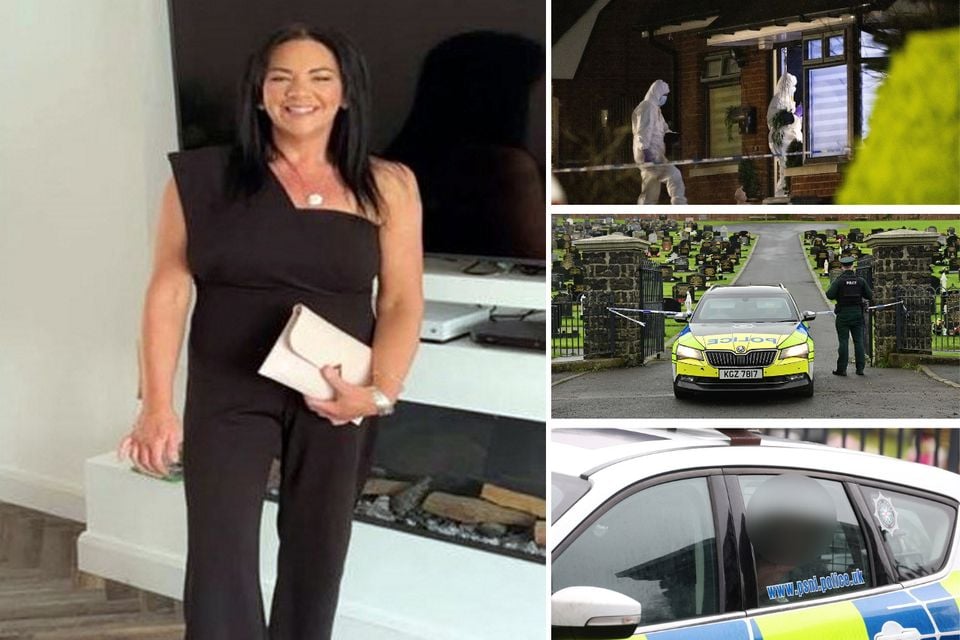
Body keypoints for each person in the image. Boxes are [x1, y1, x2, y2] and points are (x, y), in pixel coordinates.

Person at [117, 24, 423, 640]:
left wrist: (378, 394)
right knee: (220, 550)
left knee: (318, 551)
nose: (298, 91)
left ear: (345, 95)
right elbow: (169, 290)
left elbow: (400, 300)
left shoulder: (389, 184)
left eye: (319, 77)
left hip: (339, 393)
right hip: (226, 388)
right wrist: (155, 404)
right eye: (280, 77)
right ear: (258, 93)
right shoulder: (200, 179)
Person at [632, 79, 687, 205]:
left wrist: (672, 135)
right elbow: (643, 131)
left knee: (651, 189)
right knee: (674, 176)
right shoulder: (647, 107)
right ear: (657, 93)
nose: (665, 98)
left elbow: (662, 128)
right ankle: (680, 206)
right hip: (650, 154)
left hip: (653, 154)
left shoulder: (655, 109)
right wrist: (646, 152)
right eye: (664, 95)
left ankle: (644, 215)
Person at [826, 256, 873, 376]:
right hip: (857, 313)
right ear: (852, 266)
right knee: (859, 342)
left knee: (843, 341)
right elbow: (870, 295)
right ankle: (860, 368)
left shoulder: (839, 281)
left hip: (843, 314)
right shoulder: (860, 280)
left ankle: (842, 369)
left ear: (842, 267)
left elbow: (830, 295)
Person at [767, 72, 803, 198]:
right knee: (785, 163)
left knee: (788, 163)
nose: (794, 89)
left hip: (787, 136)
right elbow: (779, 119)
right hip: (783, 138)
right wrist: (796, 116)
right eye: (793, 86)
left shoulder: (786, 100)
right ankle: (783, 190)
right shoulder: (779, 99)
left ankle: (786, 188)